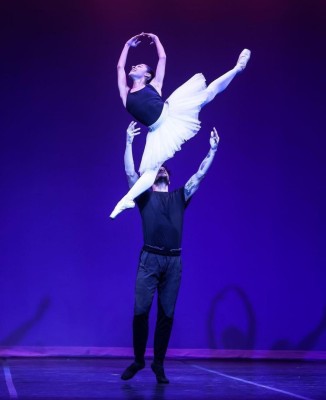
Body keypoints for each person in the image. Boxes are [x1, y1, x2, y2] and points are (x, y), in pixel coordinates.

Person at [120, 121, 220, 383]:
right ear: (152, 179)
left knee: (167, 315)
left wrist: (212, 151)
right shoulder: (144, 197)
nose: (162, 169)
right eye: (158, 169)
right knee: (141, 311)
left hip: (173, 262)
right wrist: (129, 142)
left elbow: (198, 176)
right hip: (149, 259)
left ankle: (159, 364)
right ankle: (139, 360)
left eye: (165, 168)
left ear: (169, 178)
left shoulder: (179, 197)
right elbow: (131, 173)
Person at [110, 32, 250, 219]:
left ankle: (237, 68)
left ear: (147, 75)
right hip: (157, 131)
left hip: (171, 113)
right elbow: (120, 67)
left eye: (140, 65)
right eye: (134, 64)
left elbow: (162, 57)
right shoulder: (126, 95)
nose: (134, 65)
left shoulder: (154, 85)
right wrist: (127, 45)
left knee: (207, 94)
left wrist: (157, 40)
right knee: (150, 170)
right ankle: (126, 200)